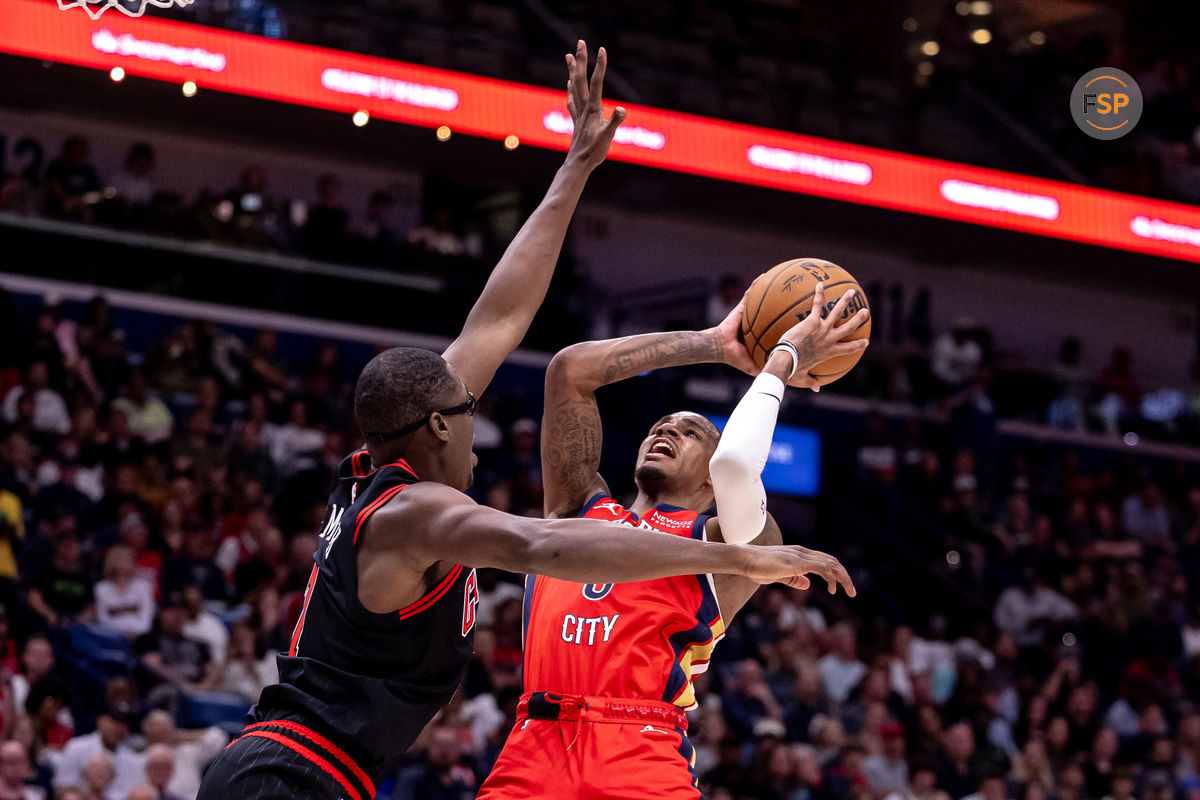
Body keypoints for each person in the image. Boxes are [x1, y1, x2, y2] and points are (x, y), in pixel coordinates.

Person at [197, 43, 841, 800]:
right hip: (307, 770)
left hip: (332, 763)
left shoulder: (390, 458)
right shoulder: (420, 509)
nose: (477, 419)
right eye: (466, 413)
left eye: (689, 428)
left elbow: (498, 318)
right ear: (438, 428)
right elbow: (538, 542)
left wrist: (577, 168)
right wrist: (749, 562)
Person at [477, 283, 866, 799]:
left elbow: (735, 465)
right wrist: (712, 343)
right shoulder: (577, 508)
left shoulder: (730, 542)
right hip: (535, 741)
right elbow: (569, 370)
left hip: (641, 745)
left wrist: (783, 361)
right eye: (661, 425)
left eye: (689, 433)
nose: (667, 430)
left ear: (709, 481)